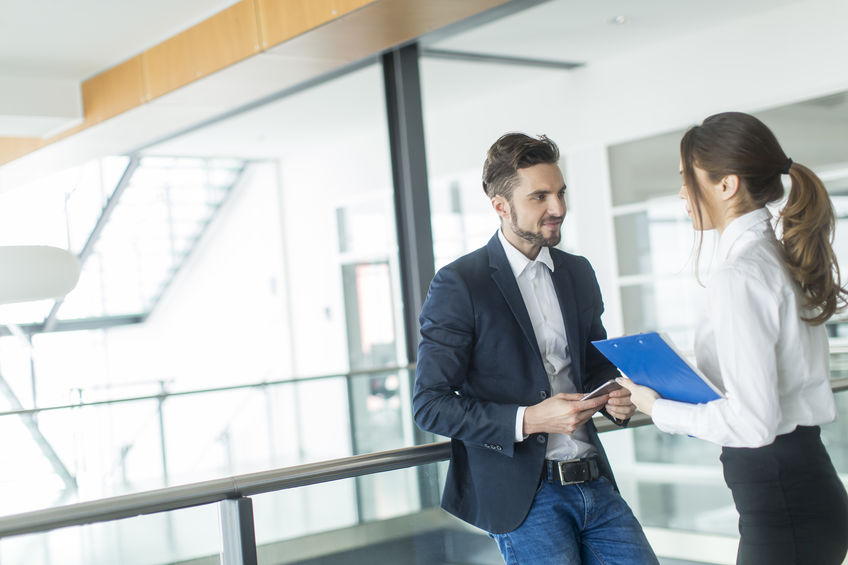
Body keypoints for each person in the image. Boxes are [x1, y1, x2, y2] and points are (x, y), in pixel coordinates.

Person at [413, 133, 658, 564]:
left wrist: (613, 398)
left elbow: (592, 365)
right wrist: (529, 419)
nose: (558, 208)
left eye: (561, 193)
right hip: (526, 499)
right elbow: (430, 406)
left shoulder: (577, 272)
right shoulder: (460, 284)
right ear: (501, 206)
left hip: (595, 481)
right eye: (540, 196)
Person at [617, 111, 848, 565]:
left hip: (782, 506)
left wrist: (656, 408)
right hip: (801, 492)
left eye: (688, 178)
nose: (682, 192)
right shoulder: (779, 258)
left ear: (727, 185)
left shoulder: (741, 275)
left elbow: (753, 423)